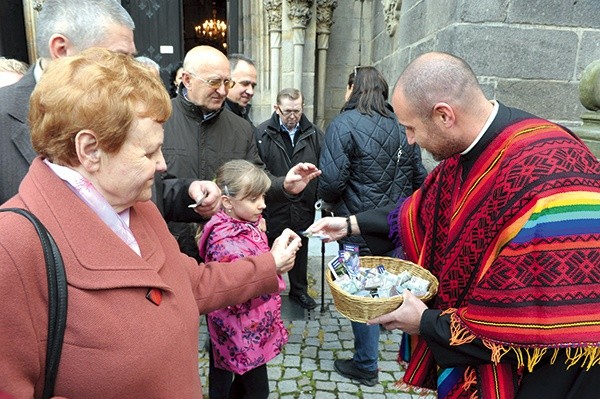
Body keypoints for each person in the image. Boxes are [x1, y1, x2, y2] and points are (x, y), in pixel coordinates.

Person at [0, 47, 303, 399]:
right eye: (148, 152)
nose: (162, 164)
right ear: (90, 150)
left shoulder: (136, 206)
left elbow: (191, 283)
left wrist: (269, 265)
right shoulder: (14, 247)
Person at [308, 52, 600, 398]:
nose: (410, 141)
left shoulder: (549, 167)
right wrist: (349, 224)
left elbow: (523, 311)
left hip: (548, 370)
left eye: (411, 128)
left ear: (444, 115)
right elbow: (417, 212)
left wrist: (426, 323)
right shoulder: (466, 152)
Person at [318, 66, 427, 386]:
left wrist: (327, 203)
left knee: (360, 292)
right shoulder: (401, 125)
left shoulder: (343, 124)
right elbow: (419, 176)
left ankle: (366, 364)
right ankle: (379, 332)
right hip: (394, 224)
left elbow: (332, 182)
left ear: (353, 88)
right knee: (383, 280)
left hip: (355, 225)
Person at [159, 45, 320, 260]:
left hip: (228, 253)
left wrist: (285, 185)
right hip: (172, 249)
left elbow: (255, 179)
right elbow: (148, 188)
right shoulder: (159, 120)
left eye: (227, 83)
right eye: (214, 82)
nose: (223, 91)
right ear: (187, 80)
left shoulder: (241, 128)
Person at [0, 0, 137, 205]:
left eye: (131, 58)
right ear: (62, 50)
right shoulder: (4, 116)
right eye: (119, 57)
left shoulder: (127, 108)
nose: (130, 71)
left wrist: (185, 192)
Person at [198, 160, 287, 399]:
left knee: (229, 377)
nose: (263, 204)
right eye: (254, 199)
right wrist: (276, 267)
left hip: (246, 329)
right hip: (241, 331)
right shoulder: (226, 243)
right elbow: (237, 294)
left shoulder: (246, 224)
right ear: (227, 202)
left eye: (263, 196)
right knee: (257, 391)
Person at [255, 88, 325, 310]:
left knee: (300, 247)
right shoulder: (262, 133)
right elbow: (259, 169)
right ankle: (268, 291)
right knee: (269, 248)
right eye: (287, 111)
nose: (292, 116)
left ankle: (299, 290)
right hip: (273, 203)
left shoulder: (314, 134)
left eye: (297, 111)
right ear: (276, 108)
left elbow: (323, 166)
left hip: (303, 203)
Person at [225, 53, 257, 124]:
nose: (251, 92)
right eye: (245, 84)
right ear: (227, 82)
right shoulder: (215, 119)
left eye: (253, 86)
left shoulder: (243, 113)